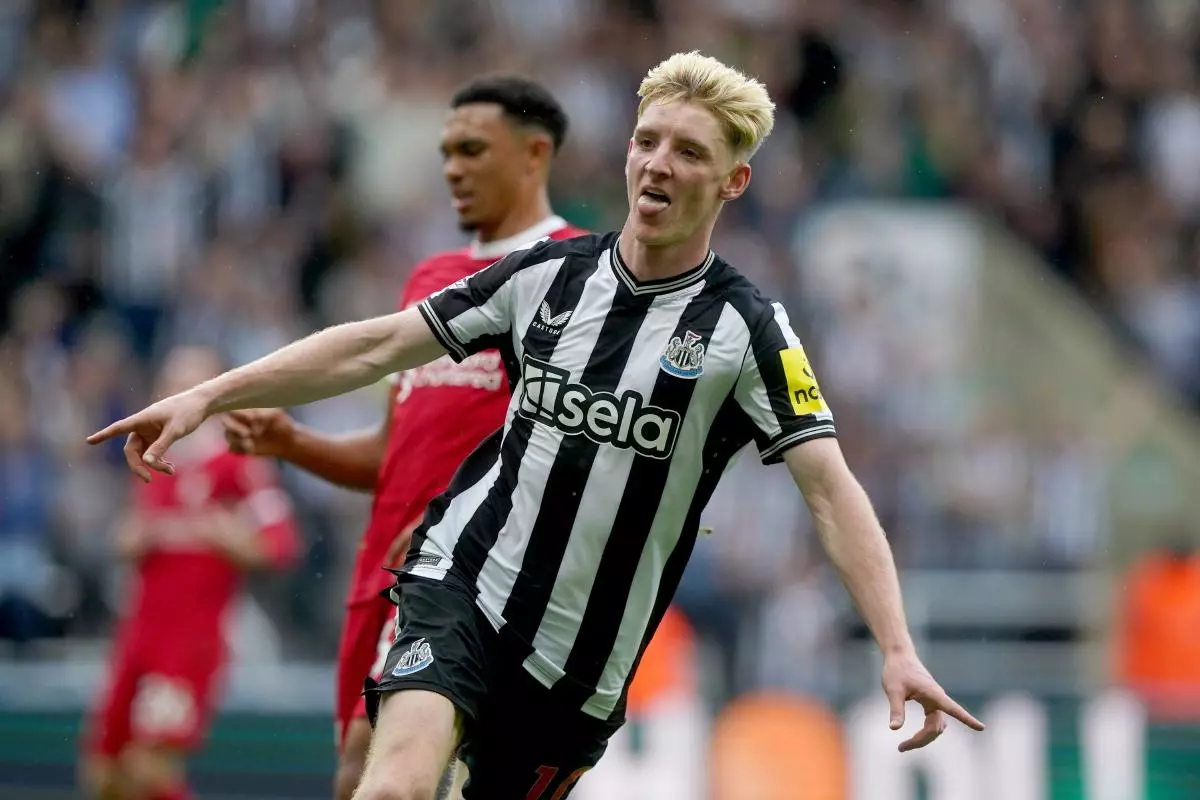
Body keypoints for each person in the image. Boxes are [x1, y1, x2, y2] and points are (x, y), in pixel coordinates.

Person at [87, 51, 986, 799]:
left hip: (581, 665)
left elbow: (830, 490)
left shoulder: (747, 332)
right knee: (390, 785)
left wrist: (898, 646)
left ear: (734, 180)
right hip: (464, 586)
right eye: (647, 142)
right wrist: (214, 395)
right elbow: (376, 346)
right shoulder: (546, 277)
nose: (657, 165)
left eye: (688, 151)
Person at [220, 74, 586, 800]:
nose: (452, 167)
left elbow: (573, 452)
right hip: (380, 570)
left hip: (473, 579)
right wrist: (293, 442)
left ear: (534, 154)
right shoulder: (431, 279)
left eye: (473, 149)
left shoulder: (576, 271)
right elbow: (395, 454)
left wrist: (459, 520)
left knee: (380, 776)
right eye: (447, 150)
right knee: (362, 777)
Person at [80, 345, 300, 800]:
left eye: (189, 386)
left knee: (148, 767)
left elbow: (281, 544)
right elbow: (126, 538)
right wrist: (132, 539)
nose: (176, 395)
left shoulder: (239, 464)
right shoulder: (152, 458)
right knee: (103, 773)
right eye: (170, 385)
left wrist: (228, 538)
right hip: (138, 633)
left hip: (190, 640)